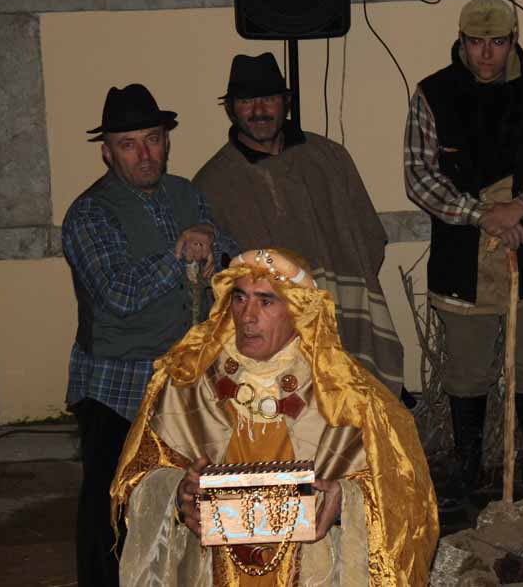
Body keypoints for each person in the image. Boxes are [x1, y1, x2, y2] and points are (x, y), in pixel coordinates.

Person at [111, 248, 439, 586]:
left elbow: (402, 494)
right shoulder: (188, 382)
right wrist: (177, 494)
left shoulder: (346, 394)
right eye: (240, 298)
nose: (247, 316)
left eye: (266, 302)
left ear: (298, 311)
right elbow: (138, 475)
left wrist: (345, 501)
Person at [404, 0, 523, 502]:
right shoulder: (433, 93)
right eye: (476, 43)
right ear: (461, 41)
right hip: (463, 254)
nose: (486, 54)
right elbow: (419, 175)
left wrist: (521, 207)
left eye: (497, 43)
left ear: (512, 42)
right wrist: (483, 215)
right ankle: (468, 468)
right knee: (467, 368)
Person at [62, 83, 236, 587]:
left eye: (153, 140)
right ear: (107, 152)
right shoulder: (89, 213)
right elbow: (118, 292)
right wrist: (181, 252)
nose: (144, 155)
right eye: (129, 144)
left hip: (184, 379)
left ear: (166, 141)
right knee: (111, 508)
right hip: (115, 384)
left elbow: (229, 248)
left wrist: (212, 239)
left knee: (180, 498)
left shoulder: (186, 193)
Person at [194, 53, 408, 400]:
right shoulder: (213, 183)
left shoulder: (329, 158)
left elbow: (369, 236)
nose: (259, 110)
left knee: (353, 411)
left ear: (286, 102)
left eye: (269, 98)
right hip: (272, 338)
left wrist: (342, 292)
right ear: (230, 110)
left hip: (343, 319)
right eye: (247, 101)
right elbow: (219, 281)